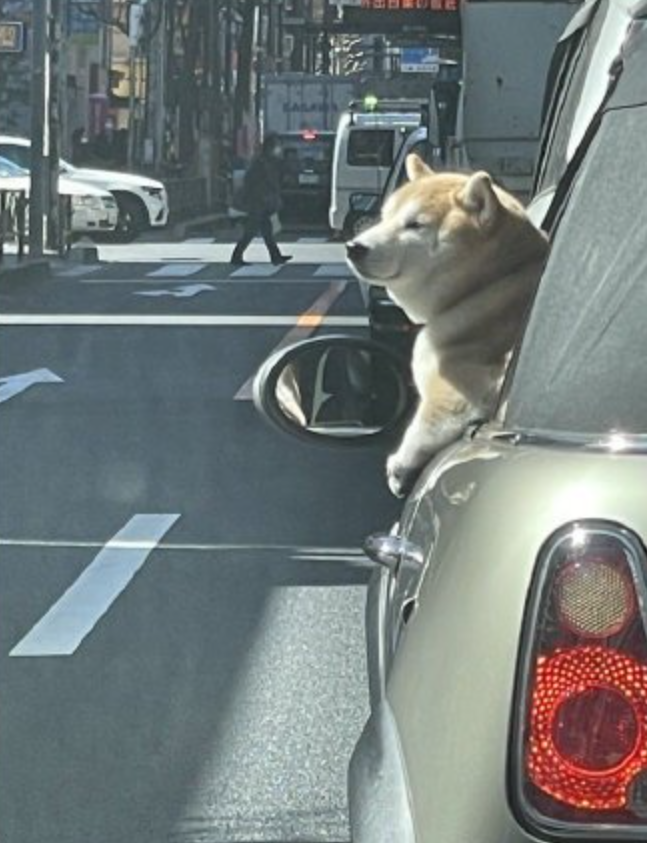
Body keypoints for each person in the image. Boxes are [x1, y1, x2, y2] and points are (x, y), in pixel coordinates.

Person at [230, 134, 292, 266]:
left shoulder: (271, 161)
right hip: (257, 202)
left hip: (263, 202)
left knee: (267, 230)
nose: (278, 149)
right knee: (251, 230)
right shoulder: (260, 162)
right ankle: (236, 256)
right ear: (270, 147)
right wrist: (258, 195)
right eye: (276, 146)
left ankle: (275, 256)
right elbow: (250, 181)